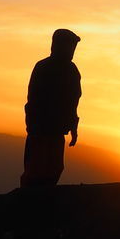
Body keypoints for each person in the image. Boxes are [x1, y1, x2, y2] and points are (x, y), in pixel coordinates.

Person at [19, 28, 82, 187]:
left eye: (73, 47)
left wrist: (73, 127)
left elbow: (73, 101)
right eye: (70, 46)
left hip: (56, 131)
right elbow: (33, 100)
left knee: (54, 169)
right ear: (57, 46)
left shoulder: (72, 71)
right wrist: (33, 127)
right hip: (40, 130)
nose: (72, 51)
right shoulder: (43, 68)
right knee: (35, 170)